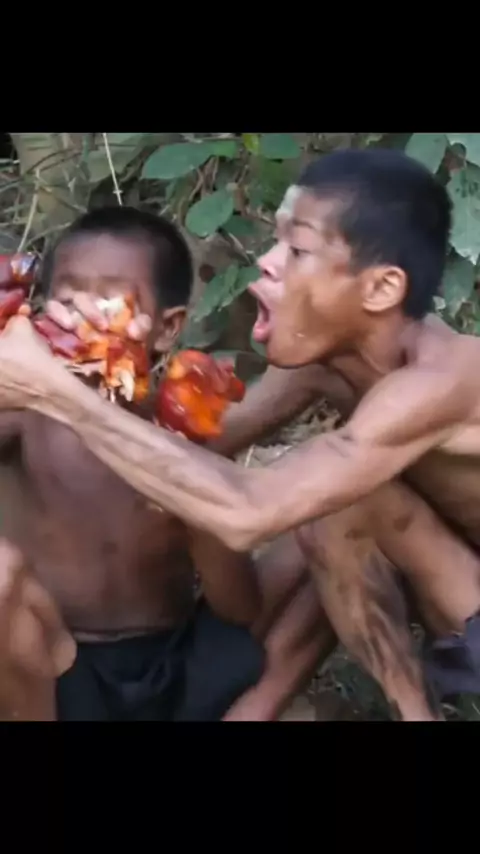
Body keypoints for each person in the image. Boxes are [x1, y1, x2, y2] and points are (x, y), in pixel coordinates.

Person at [9, 146, 480, 723]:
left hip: (464, 602)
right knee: (331, 503)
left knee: (316, 502)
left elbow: (246, 509)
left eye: (297, 250)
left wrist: (57, 392)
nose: (266, 262)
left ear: (381, 289)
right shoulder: (327, 365)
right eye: (275, 241)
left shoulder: (443, 379)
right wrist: (103, 375)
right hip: (453, 591)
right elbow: (196, 453)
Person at [0, 205, 328, 722]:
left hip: (176, 661)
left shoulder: (179, 428)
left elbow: (239, 607)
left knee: (334, 528)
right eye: (66, 298)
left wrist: (192, 511)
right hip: (57, 670)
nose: (83, 314)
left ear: (167, 328)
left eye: (110, 299)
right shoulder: (21, 419)